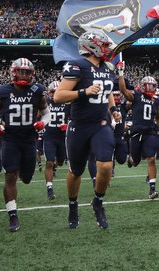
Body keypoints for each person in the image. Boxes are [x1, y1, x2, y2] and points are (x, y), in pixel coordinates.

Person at [54, 30, 122, 230]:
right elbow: (58, 96)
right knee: (76, 171)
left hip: (101, 125)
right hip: (80, 125)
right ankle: (73, 205)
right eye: (105, 46)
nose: (108, 49)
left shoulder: (107, 67)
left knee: (106, 166)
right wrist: (83, 91)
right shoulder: (78, 66)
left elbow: (107, 91)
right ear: (92, 46)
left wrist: (113, 109)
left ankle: (98, 202)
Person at [0, 58, 48, 232]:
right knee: (10, 176)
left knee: (26, 178)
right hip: (10, 138)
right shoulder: (3, 92)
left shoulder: (37, 91)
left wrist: (43, 122)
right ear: (13, 72)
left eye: (26, 72)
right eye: (20, 71)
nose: (23, 75)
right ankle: (12, 216)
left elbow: (46, 113)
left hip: (29, 139)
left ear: (32, 74)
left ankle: (19, 167)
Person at [117, 67, 159, 200]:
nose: (151, 88)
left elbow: (157, 117)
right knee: (136, 162)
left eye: (153, 86)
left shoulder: (156, 100)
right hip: (136, 132)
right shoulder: (136, 96)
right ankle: (131, 158)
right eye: (148, 86)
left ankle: (152, 189)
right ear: (143, 86)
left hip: (150, 132)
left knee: (151, 159)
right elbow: (123, 89)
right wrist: (121, 73)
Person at [44, 80, 69, 201]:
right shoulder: (45, 103)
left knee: (59, 161)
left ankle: (55, 165)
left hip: (62, 138)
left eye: (56, 91)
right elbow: (38, 115)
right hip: (49, 136)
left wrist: (68, 125)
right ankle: (49, 187)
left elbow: (74, 118)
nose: (54, 94)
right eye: (52, 92)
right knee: (49, 161)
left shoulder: (68, 102)